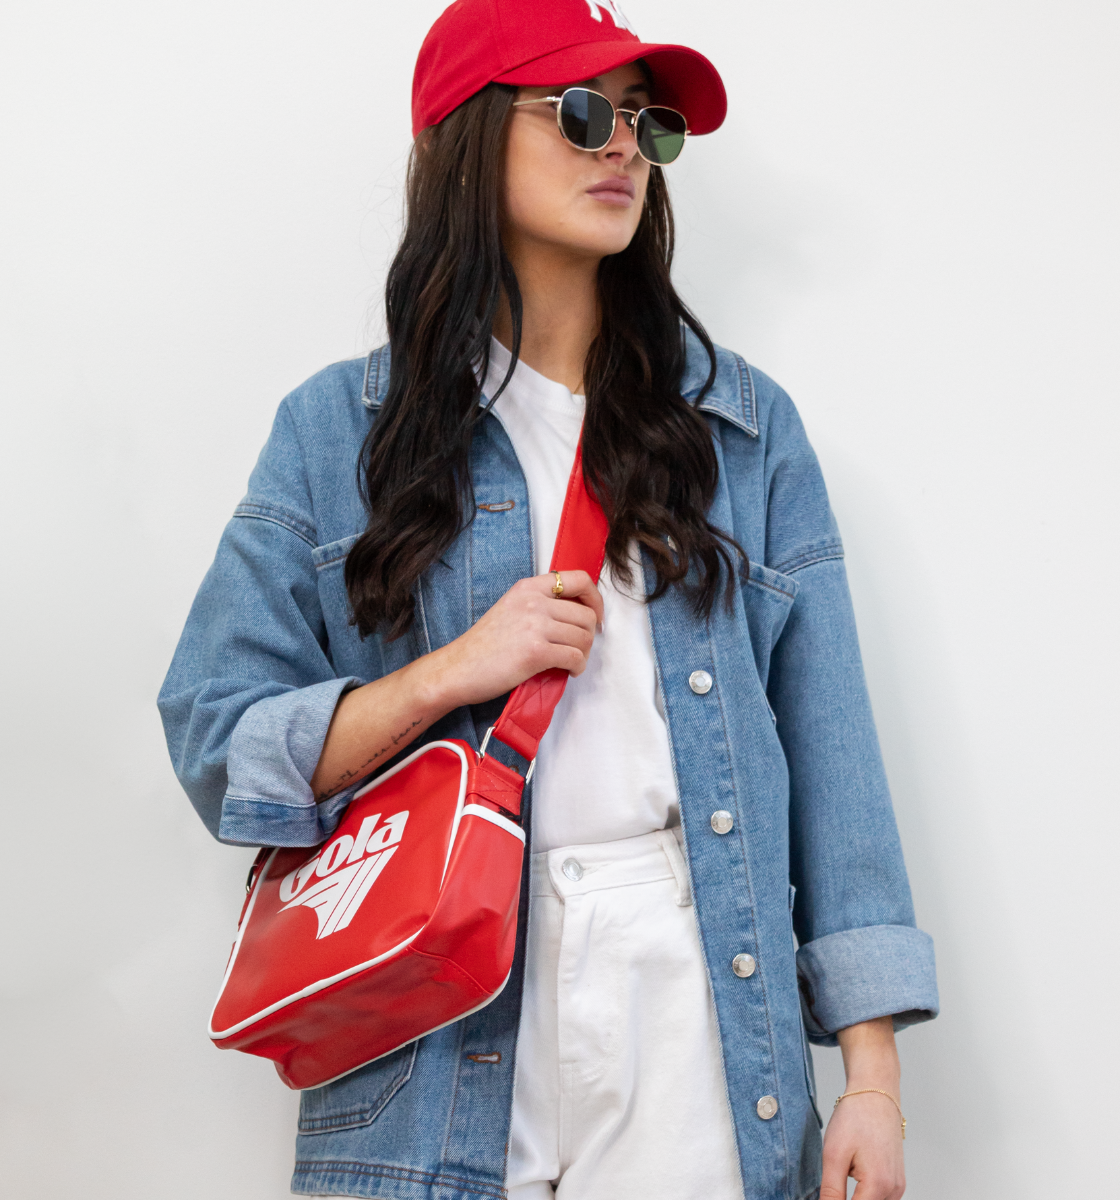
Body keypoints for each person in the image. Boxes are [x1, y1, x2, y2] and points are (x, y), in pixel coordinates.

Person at [159, 1, 939, 1197]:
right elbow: (217, 736)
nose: (621, 146)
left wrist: (872, 1084)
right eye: (581, 114)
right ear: (461, 143)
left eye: (645, 121)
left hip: (690, 982)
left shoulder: (741, 432)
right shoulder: (337, 436)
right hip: (440, 1007)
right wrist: (448, 673)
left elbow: (834, 764)